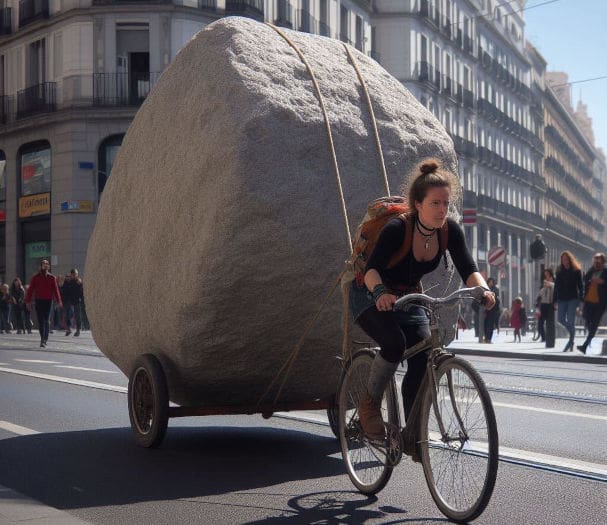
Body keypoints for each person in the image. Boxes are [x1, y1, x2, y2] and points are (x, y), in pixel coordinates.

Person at [348, 158, 496, 445]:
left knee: (422, 355)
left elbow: (468, 267)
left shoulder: (448, 231)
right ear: (418, 204)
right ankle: (369, 406)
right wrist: (380, 294)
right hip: (369, 293)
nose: (443, 209)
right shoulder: (397, 229)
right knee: (394, 343)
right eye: (435, 203)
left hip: (409, 296)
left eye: (445, 203)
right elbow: (372, 270)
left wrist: (484, 290)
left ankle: (413, 432)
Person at [25, 259, 63, 348]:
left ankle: (45, 339)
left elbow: (56, 290)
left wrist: (59, 301)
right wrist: (27, 301)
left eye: (47, 264)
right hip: (38, 301)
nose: (45, 265)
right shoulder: (35, 277)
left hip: (48, 301)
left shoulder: (52, 278)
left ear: (48, 267)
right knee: (41, 321)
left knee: (46, 320)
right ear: (41, 266)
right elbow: (30, 290)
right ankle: (42, 339)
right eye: (44, 264)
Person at [554, 251, 583, 352]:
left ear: (570, 259)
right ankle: (572, 338)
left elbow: (580, 286)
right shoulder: (559, 271)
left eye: (566, 259)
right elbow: (556, 287)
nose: (564, 261)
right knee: (560, 319)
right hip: (561, 299)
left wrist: (581, 301)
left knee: (570, 320)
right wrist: (555, 301)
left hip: (573, 299)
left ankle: (571, 341)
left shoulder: (576, 271)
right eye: (562, 260)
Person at [577, 253, 607, 354]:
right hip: (589, 300)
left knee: (594, 324)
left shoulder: (606, 272)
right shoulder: (591, 271)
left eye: (598, 262)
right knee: (586, 318)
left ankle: (585, 346)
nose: (596, 263)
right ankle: (591, 336)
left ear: (603, 262)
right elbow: (584, 281)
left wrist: (602, 282)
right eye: (595, 261)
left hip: (600, 302)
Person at [62, 268, 84, 336]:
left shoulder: (79, 282)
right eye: (74, 274)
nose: (75, 276)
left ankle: (78, 330)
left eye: (76, 274)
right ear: (71, 275)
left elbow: (82, 292)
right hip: (69, 300)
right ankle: (68, 328)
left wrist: (81, 299)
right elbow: (64, 290)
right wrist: (64, 301)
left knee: (78, 316)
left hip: (77, 301)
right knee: (68, 315)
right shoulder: (68, 281)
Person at [538, 268, 555, 348]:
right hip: (543, 304)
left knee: (550, 323)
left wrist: (550, 284)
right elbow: (540, 293)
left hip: (550, 304)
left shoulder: (553, 280)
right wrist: (544, 287)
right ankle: (543, 337)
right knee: (540, 323)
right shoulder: (543, 282)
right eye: (545, 274)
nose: (546, 275)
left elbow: (556, 289)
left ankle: (549, 339)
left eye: (547, 274)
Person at [483, 277, 500, 343]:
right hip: (486, 310)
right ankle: (486, 338)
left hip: (493, 310)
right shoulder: (485, 288)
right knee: (485, 324)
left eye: (492, 282)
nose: (491, 283)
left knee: (490, 325)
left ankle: (489, 339)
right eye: (489, 282)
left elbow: (495, 298)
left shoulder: (495, 289)